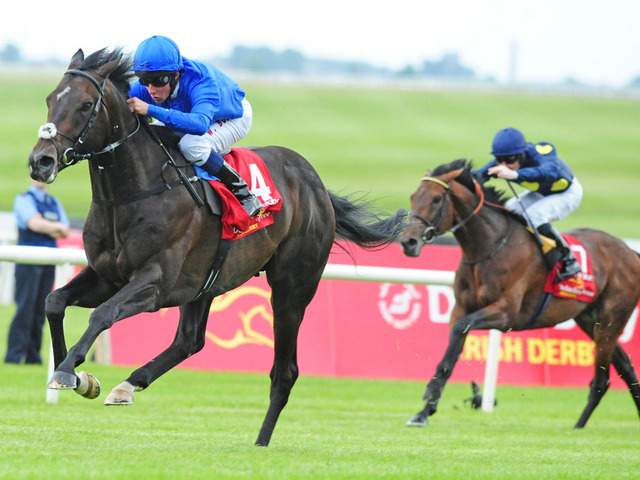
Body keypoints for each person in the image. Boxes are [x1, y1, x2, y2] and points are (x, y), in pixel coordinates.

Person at [127, 35, 263, 217]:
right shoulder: (155, 82)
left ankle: (244, 193)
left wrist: (150, 109)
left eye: (158, 80)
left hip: (232, 116)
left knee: (191, 144)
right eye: (144, 80)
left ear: (176, 74)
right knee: (151, 134)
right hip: (192, 113)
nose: (150, 89)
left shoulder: (201, 81)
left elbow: (199, 124)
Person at [473, 127, 583, 281]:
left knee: (534, 215)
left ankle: (568, 259)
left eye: (509, 160)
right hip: (541, 193)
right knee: (510, 210)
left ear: (522, 153)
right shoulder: (505, 160)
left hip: (567, 194)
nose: (504, 164)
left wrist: (515, 174)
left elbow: (550, 171)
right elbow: (477, 176)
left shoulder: (543, 151)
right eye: (499, 159)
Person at [5, 179, 69, 364]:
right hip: (28, 260)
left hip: (48, 261)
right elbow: (34, 224)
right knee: (25, 308)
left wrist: (44, 225)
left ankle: (33, 356)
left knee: (41, 311)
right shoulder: (24, 198)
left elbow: (63, 231)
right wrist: (53, 227)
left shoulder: (53, 202)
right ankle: (14, 356)